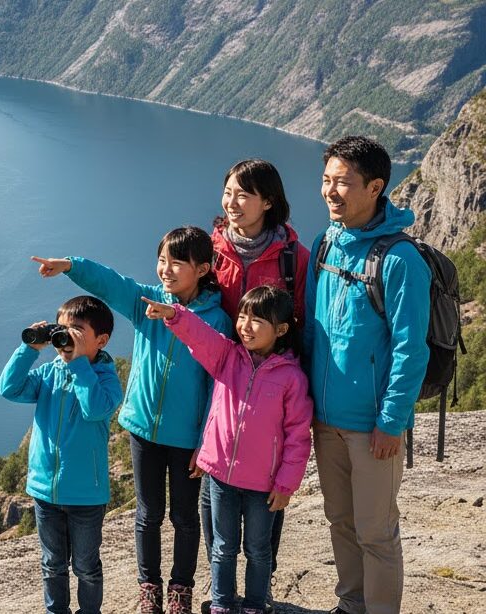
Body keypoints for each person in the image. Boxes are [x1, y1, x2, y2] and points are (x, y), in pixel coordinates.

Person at [31, 226, 233, 614]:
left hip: (187, 435)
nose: (166, 270)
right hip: (142, 428)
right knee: (148, 514)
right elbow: (110, 283)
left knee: (185, 516)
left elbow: (218, 384)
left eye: (177, 262)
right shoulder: (147, 303)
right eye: (161, 260)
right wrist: (71, 266)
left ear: (203, 267)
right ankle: (149, 586)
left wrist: (207, 440)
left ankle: (180, 588)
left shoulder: (217, 321)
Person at [305, 136, 431, 614]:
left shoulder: (400, 261)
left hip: (373, 426)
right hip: (326, 418)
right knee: (340, 519)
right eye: (326, 180)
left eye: (343, 182)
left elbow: (409, 350)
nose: (330, 191)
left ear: (376, 187)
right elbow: (315, 335)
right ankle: (351, 603)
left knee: (376, 531)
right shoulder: (325, 245)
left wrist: (392, 422)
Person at [143, 286, 313, 614]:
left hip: (263, 485)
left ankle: (253, 605)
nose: (245, 325)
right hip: (221, 475)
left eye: (257, 320)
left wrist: (286, 484)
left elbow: (297, 436)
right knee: (223, 547)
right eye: (243, 316)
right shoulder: (228, 357)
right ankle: (221, 604)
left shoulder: (291, 378)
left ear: (280, 330)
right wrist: (175, 315)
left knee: (258, 550)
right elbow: (202, 337)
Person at [205, 158, 311, 613]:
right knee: (214, 494)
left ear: (268, 201)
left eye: (243, 194)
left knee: (266, 503)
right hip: (219, 382)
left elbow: (306, 323)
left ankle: (257, 592)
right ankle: (221, 589)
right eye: (228, 191)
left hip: (271, 387)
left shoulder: (293, 258)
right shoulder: (211, 249)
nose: (232, 202)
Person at [0, 295, 124, 614]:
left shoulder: (107, 380)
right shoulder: (49, 373)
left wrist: (79, 363)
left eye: (76, 331)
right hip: (45, 492)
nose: (66, 338)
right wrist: (29, 349)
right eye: (62, 330)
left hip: (85, 495)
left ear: (101, 340)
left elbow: (95, 408)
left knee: (85, 566)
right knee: (51, 564)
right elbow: (9, 388)